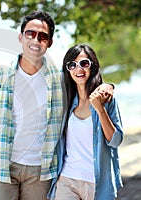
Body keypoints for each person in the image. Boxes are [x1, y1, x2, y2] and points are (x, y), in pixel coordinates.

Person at [0, 10, 113, 200]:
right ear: (21, 37)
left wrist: (108, 86)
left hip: (42, 171)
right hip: (1, 165)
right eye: (30, 34)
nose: (36, 40)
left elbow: (86, 85)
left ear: (49, 43)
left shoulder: (60, 80)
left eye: (43, 36)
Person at [49, 44, 123, 200]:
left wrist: (100, 109)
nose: (79, 69)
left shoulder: (107, 100)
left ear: (92, 66)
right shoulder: (66, 100)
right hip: (67, 179)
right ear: (68, 70)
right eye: (72, 65)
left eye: (84, 63)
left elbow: (116, 140)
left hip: (97, 183)